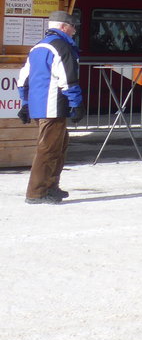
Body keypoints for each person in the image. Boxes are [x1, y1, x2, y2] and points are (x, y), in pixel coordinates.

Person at [16, 10, 83, 205]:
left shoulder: (38, 47)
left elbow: (23, 79)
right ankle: (37, 192)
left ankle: (50, 186)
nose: (74, 30)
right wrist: (76, 103)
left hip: (40, 104)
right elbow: (68, 79)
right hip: (53, 105)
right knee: (49, 149)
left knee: (58, 146)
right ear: (63, 27)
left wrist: (26, 103)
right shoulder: (61, 46)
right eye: (72, 26)